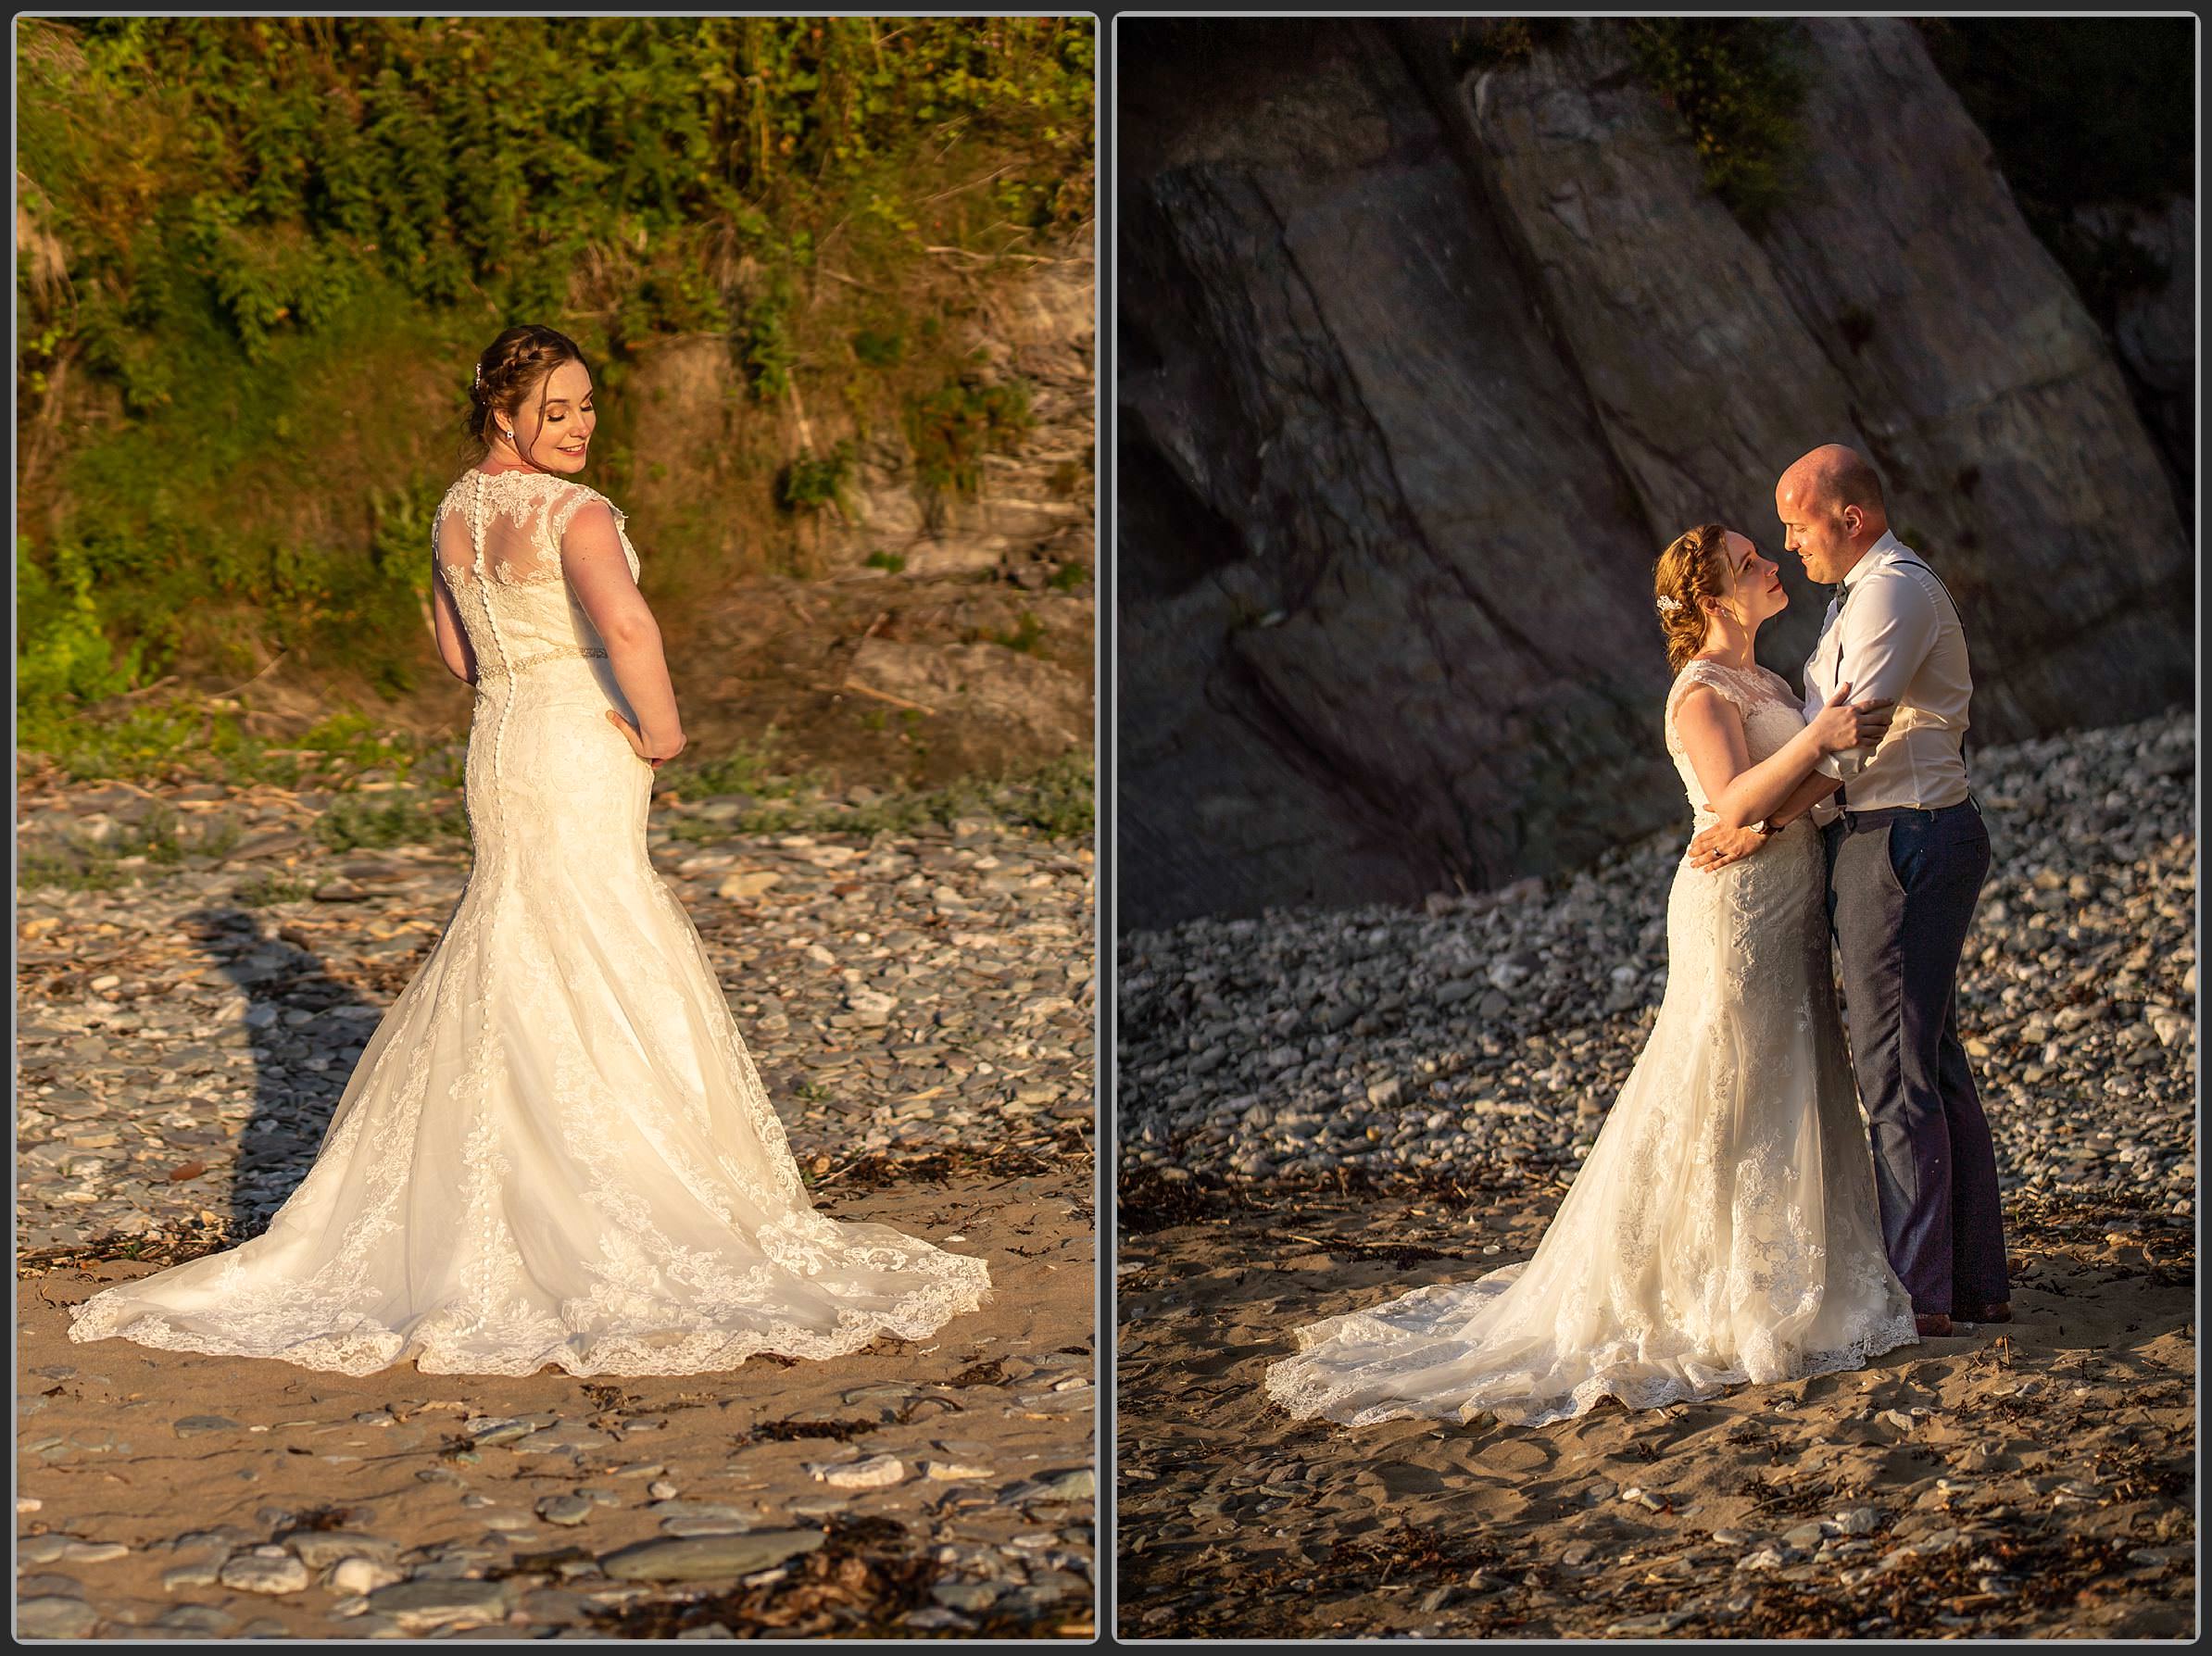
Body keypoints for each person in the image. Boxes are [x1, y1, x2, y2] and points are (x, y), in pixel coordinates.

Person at [69, 324, 991, 1375]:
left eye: (588, 405)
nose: (581, 425)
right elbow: (631, 629)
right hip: (578, 738)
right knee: (603, 928)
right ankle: (623, 1190)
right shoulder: (578, 515)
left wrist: (520, 665)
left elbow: (455, 652)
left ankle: (501, 1184)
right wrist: (662, 730)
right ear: (503, 414)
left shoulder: (455, 510)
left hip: (500, 743)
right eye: (557, 411)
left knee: (514, 934)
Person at [1263, 523, 1917, 1428]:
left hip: (1784, 893)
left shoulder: (1767, 682)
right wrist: (1808, 757)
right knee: (1727, 1078)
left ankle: (1776, 1265)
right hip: (1733, 915)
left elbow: (1781, 801)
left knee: (1789, 1068)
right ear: (1714, 598)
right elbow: (1730, 796)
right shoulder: (1700, 691)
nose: (1771, 563)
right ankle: (1704, 1288)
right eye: (1749, 562)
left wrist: (1787, 797)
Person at [1691, 445, 2006, 1337]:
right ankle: (1970, 1283)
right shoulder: (1861, 598)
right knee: (1931, 1064)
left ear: (1850, 519)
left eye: (1796, 526)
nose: (1790, 547)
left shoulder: (1892, 595)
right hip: (1892, 835)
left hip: (1902, 837)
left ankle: (1921, 1298)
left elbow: (1844, 749)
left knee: (1899, 1074)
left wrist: (1760, 822)